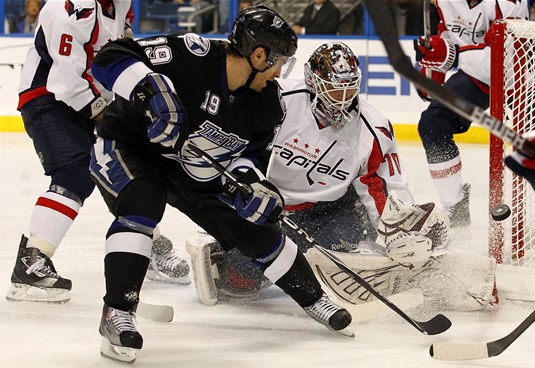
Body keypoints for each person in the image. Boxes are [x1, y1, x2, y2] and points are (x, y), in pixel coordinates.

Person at [89, 5, 352, 363]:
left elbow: (250, 160)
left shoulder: (267, 105)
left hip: (192, 168)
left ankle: (313, 297)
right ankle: (117, 313)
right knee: (143, 201)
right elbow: (108, 57)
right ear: (259, 54)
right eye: (278, 62)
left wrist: (254, 188)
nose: (279, 73)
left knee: (254, 226)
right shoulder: (192, 54)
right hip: (129, 144)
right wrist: (150, 88)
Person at [184, 42, 483, 310]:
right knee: (238, 281)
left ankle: (404, 271)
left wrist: (399, 228)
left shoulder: (373, 128)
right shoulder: (280, 99)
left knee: (338, 261)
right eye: (335, 88)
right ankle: (232, 255)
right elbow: (240, 146)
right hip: (270, 205)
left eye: (350, 88)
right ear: (314, 82)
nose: (343, 98)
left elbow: (382, 190)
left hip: (334, 211)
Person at [6, 0, 189, 305]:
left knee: (128, 170)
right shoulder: (65, 9)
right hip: (49, 100)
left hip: (92, 100)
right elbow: (66, 83)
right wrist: (113, 117)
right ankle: (30, 261)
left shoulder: (120, 3)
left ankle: (145, 246)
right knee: (75, 173)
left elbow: (122, 45)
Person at [413, 0, 529, 229]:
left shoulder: (507, 2)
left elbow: (506, 57)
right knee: (433, 124)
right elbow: (448, 31)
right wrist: (433, 62)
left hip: (522, 76)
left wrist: (452, 55)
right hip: (477, 78)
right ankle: (455, 206)